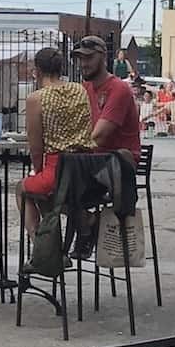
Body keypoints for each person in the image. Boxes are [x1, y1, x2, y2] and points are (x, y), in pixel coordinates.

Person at [19, 45, 95, 219]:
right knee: (47, 195)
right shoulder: (80, 90)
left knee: (23, 189)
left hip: (57, 170)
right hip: (85, 169)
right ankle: (83, 221)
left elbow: (36, 146)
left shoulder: (36, 99)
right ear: (61, 69)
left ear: (37, 71)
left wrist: (37, 171)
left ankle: (41, 240)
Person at [72, 36, 141, 163]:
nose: (83, 64)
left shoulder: (118, 88)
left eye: (89, 58)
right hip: (93, 160)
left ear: (103, 58)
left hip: (117, 163)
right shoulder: (85, 88)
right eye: (80, 59)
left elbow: (99, 137)